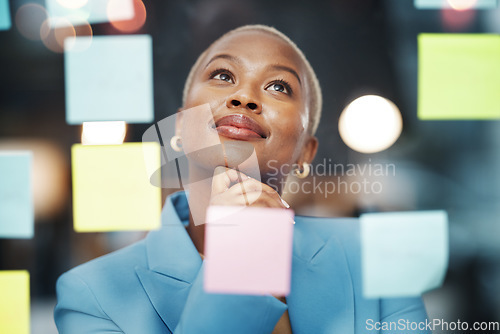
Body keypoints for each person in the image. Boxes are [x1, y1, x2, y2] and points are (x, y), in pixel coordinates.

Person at [54, 25, 430, 333]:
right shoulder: (92, 295)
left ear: (306, 153)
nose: (244, 96)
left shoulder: (376, 258)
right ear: (180, 128)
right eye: (223, 75)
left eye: (279, 86)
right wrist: (242, 258)